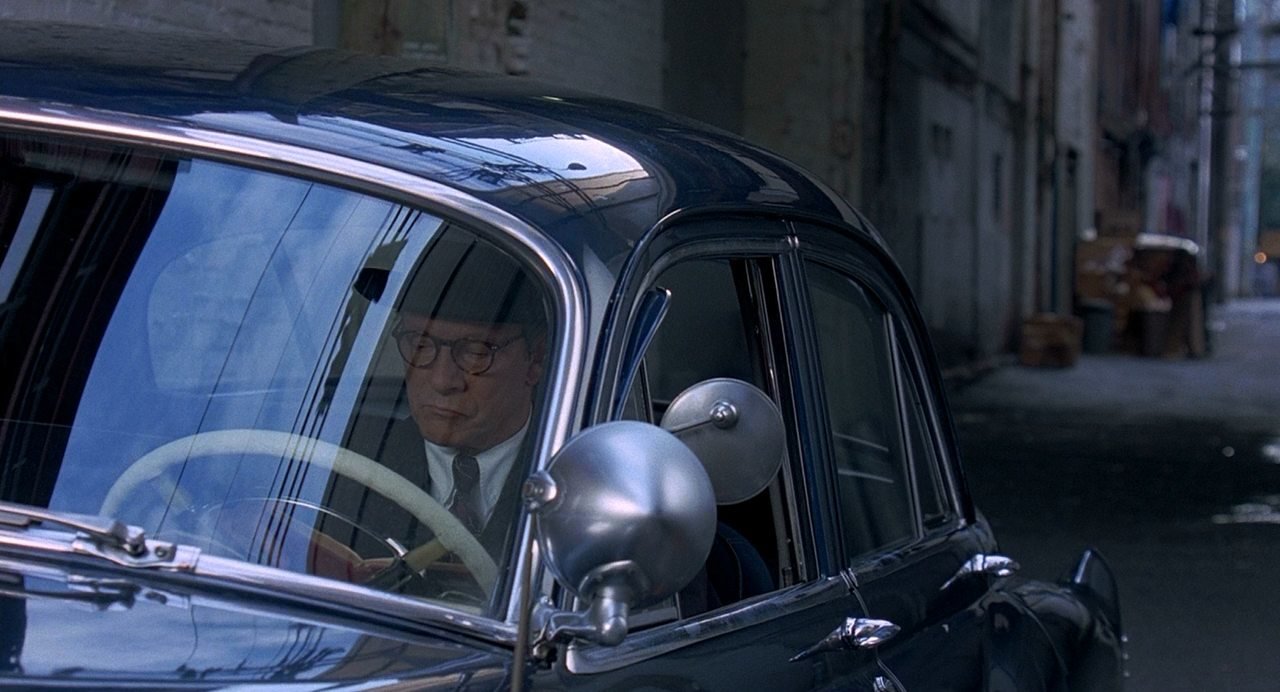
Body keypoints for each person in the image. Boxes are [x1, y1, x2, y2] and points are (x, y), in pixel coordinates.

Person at [318, 228, 547, 589]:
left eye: (476, 352)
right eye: (420, 345)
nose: (442, 380)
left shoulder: (580, 487)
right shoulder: (339, 465)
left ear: (536, 359)